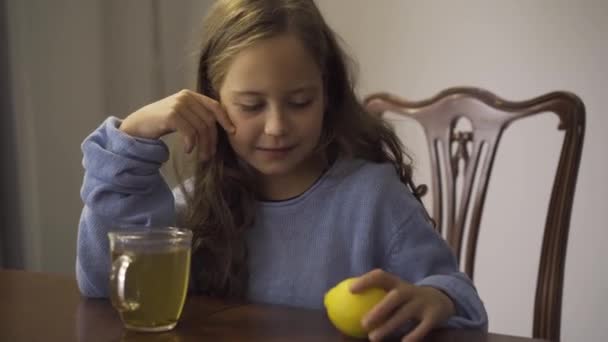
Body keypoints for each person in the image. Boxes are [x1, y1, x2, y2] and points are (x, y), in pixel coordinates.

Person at [76, 0, 488, 340]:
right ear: (212, 102)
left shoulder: (373, 199)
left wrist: (436, 298)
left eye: (300, 101)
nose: (276, 127)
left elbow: (464, 303)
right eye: (252, 105)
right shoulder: (197, 206)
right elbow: (104, 287)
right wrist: (130, 140)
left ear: (327, 94)